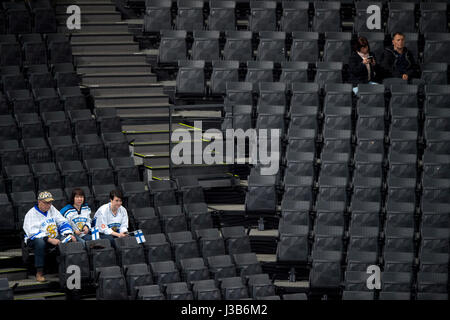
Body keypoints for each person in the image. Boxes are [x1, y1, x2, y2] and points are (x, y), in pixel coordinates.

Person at [23, 191, 76, 282]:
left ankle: (65, 271)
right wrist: (48, 239)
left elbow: (62, 221)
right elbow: (31, 232)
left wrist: (68, 234)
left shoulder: (52, 209)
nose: (49, 205)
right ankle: (39, 272)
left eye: (50, 202)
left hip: (53, 237)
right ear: (39, 202)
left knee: (69, 240)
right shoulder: (31, 214)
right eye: (46, 203)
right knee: (40, 242)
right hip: (35, 239)